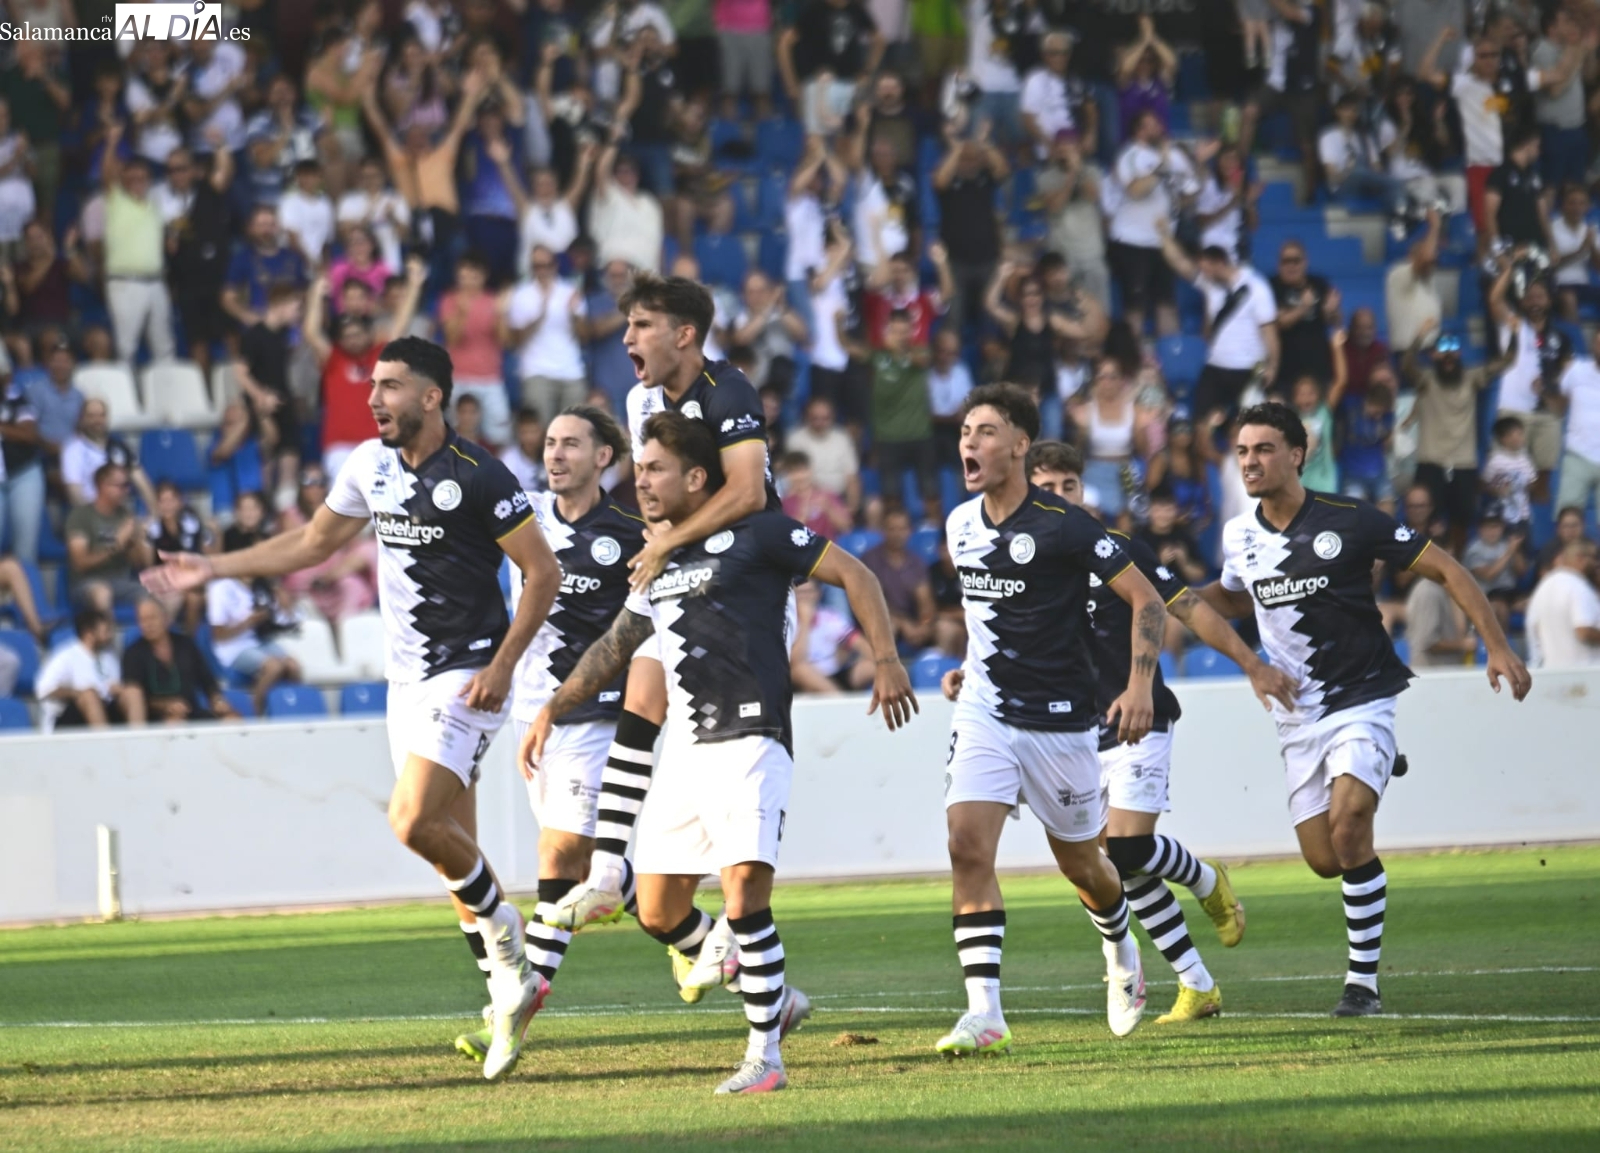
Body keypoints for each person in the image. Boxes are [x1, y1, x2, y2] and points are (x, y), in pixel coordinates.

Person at [140, 337, 564, 1083]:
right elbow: (312, 543)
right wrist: (213, 566)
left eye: (392, 386)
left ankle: (511, 957)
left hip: (467, 674)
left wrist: (503, 666)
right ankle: (506, 993)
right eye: (373, 385)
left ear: (432, 397)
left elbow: (542, 571)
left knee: (410, 820)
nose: (374, 399)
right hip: (406, 684)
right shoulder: (368, 466)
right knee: (446, 847)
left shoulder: (480, 477)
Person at [522, 410, 917, 1093]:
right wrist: (552, 709)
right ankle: (779, 1001)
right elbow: (616, 645)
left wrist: (885, 658)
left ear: (697, 476)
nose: (641, 482)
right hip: (688, 748)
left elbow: (857, 574)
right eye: (639, 469)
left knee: (744, 900)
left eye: (655, 470)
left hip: (751, 737)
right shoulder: (659, 554)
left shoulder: (761, 532)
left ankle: (765, 1057)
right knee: (656, 908)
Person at [1198, 402, 1531, 1016]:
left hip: (1361, 694)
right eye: (1243, 451)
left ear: (1297, 454)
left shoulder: (1350, 519)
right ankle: (1376, 765)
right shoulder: (1238, 535)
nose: (1250, 461)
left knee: (1352, 826)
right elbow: (1236, 599)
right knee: (1326, 859)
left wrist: (1497, 645)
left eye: (1264, 449)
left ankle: (1362, 986)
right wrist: (1174, 599)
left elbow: (1446, 568)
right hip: (1297, 715)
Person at [543, 273, 785, 931]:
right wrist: (662, 539)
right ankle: (608, 871)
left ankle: (733, 919)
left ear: (684, 334)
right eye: (625, 326)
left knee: (666, 709)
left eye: (641, 326)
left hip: (745, 584)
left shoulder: (729, 391)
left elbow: (748, 494)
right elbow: (657, 490)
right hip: (683, 577)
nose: (626, 338)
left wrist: (667, 540)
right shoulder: (639, 398)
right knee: (640, 692)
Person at [935, 383, 1168, 1054]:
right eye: (964, 431)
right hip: (984, 709)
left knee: (1080, 862)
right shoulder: (959, 524)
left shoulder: (1065, 524)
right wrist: (963, 666)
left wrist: (1140, 684)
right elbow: (990, 619)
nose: (969, 443)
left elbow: (1147, 601)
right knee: (966, 845)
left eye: (984, 432)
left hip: (1060, 720)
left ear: (1018, 445)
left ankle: (1121, 948)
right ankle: (985, 1011)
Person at [1029, 436, 1293, 1023]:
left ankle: (1205, 878)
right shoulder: (1025, 566)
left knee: (1124, 849)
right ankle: (1197, 985)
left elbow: (1189, 608)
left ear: (1082, 490)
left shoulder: (1116, 549)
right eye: (1045, 487)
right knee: (1117, 868)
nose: (1059, 496)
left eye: (1067, 485)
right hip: (1072, 736)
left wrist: (1251, 664)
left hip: (1139, 717)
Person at [452, 405, 647, 1062]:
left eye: (572, 444)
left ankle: (517, 1003)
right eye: (550, 443)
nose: (555, 453)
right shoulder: (524, 514)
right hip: (526, 714)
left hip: (593, 715)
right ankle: (701, 935)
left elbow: (649, 620)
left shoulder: (629, 532)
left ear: (604, 457)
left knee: (558, 857)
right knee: (589, 872)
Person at [304, 258, 428, 480]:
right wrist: (315, 293)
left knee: (386, 509)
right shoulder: (333, 358)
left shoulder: (381, 355)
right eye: (347, 336)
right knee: (345, 510)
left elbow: (401, 322)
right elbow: (311, 333)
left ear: (369, 334)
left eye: (357, 333)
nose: (352, 339)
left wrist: (415, 285)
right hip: (339, 446)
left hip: (381, 442)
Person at [1401, 325, 1510, 553]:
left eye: (1453, 350)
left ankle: (1457, 574)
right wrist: (1419, 339)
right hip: (1431, 462)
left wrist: (1516, 333)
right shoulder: (1426, 379)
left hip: (1464, 464)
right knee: (1428, 523)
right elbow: (1407, 365)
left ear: (1460, 353)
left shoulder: (1471, 377)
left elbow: (1505, 362)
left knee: (1462, 523)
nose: (1449, 355)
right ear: (1434, 355)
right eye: (1443, 350)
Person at [1156, 232, 1278, 433]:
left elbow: (1270, 332)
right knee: (1200, 426)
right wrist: (1162, 234)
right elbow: (1180, 263)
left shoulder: (1257, 288)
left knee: (1248, 430)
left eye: (1206, 269)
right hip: (1215, 368)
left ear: (1219, 263)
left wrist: (1272, 364)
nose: (1203, 275)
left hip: (1248, 370)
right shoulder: (1209, 283)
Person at [99, 122, 175, 363]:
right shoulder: (117, 201)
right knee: (126, 348)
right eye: (132, 178)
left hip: (156, 283)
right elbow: (108, 174)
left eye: (143, 178)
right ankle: (124, 401)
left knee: (165, 348)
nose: (138, 181)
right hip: (125, 283)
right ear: (124, 180)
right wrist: (112, 143)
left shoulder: (155, 204)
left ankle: (168, 398)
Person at [503, 245, 588, 425]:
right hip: (536, 370)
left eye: (546, 265)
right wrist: (537, 319)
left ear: (555, 265)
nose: (542, 270)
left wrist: (574, 316)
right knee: (539, 431)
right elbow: (514, 341)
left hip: (571, 370)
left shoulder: (569, 291)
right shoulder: (521, 294)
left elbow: (584, 336)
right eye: (537, 266)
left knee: (574, 429)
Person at [234, 284, 305, 496]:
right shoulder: (254, 335)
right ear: (279, 304)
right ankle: (263, 505)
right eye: (296, 306)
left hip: (284, 401)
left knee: (290, 456)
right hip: (263, 406)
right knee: (267, 455)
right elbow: (240, 372)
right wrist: (261, 398)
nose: (298, 312)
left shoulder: (285, 335)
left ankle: (286, 504)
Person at [123, 597, 238, 724]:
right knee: (175, 724)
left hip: (192, 712)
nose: (148, 624)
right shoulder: (132, 653)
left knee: (232, 720)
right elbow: (137, 699)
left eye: (152, 618)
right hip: (156, 719)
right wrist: (166, 705)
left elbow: (208, 683)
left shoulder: (186, 645)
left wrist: (218, 702)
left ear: (166, 619)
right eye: (142, 620)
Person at [35, 608, 147, 732]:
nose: (111, 635)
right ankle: (106, 744)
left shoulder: (109, 656)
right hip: (71, 718)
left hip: (106, 710)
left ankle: (138, 741)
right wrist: (78, 693)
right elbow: (44, 689)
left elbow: (112, 688)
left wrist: (118, 689)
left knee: (132, 691)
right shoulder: (65, 656)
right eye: (105, 631)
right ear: (88, 633)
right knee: (89, 696)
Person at [65, 463, 152, 615]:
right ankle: (107, 638)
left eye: (128, 485)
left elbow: (139, 563)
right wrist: (116, 544)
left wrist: (139, 541)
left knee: (158, 595)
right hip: (87, 582)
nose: (127, 490)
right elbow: (79, 563)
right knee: (102, 593)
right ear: (102, 486)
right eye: (122, 486)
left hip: (121, 580)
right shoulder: (80, 516)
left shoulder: (125, 515)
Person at [1525, 538, 1600, 668]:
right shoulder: (1578, 587)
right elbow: (1583, 631)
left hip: (1550, 673)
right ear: (1580, 558)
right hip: (1584, 676)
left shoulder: (1542, 588)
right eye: (1594, 558)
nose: (1595, 563)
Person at [784, 395, 860, 512]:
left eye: (825, 418)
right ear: (807, 416)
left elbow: (852, 478)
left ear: (833, 417)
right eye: (815, 418)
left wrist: (850, 509)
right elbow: (796, 477)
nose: (820, 422)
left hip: (840, 497)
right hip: (808, 497)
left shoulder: (843, 438)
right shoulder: (795, 439)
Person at [1553, 330, 1600, 518]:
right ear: (1593, 346)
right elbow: (1559, 407)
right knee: (1567, 520)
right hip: (1578, 456)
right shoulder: (1575, 370)